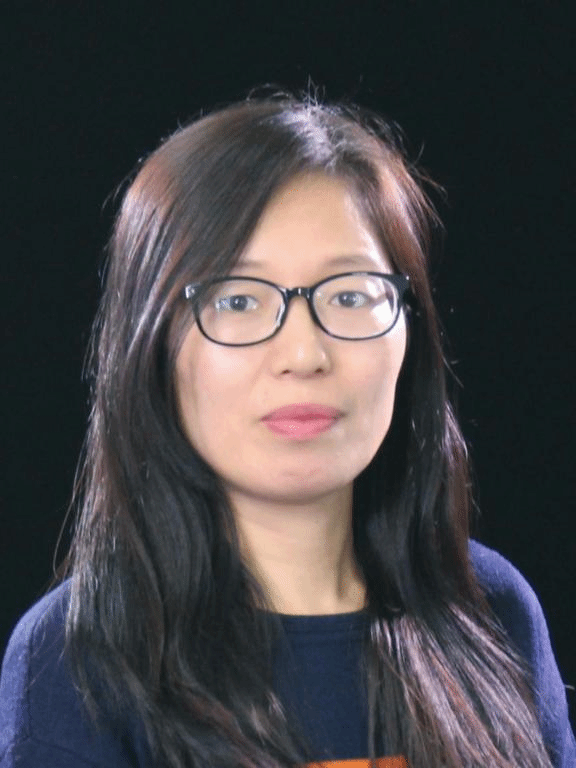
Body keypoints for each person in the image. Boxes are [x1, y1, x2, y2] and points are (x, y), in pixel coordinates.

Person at [0, 89, 574, 768]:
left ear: (410, 335)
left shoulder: (492, 612)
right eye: (239, 300)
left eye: (350, 294)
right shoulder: (75, 661)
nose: (303, 354)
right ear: (150, 344)